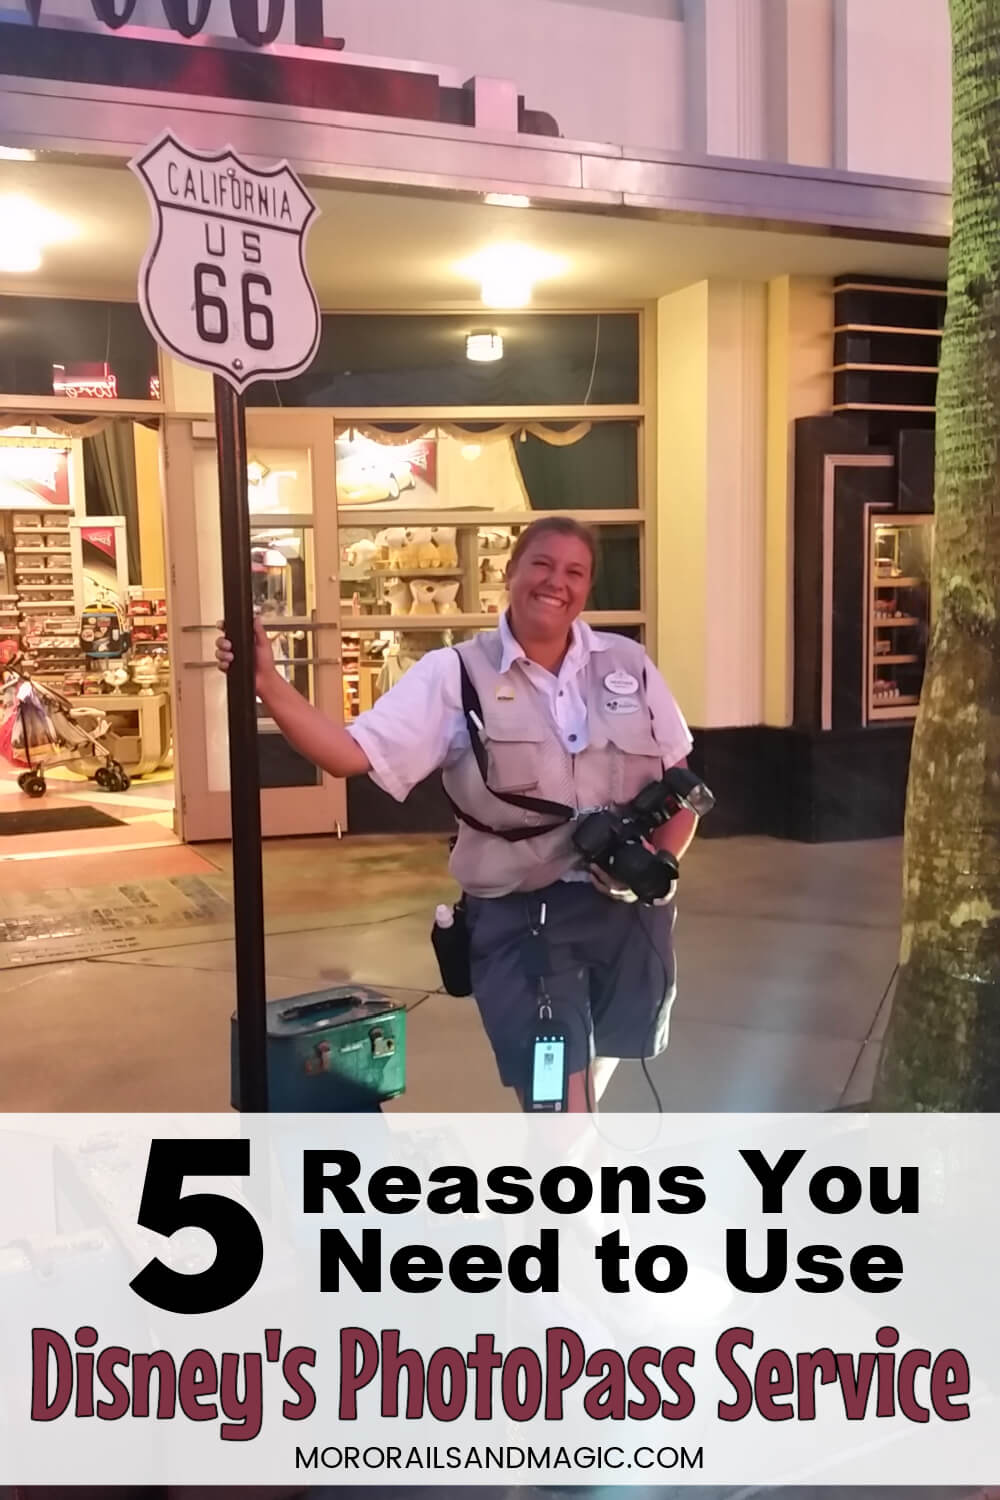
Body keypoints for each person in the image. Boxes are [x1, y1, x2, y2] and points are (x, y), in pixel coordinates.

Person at [216, 516, 697, 1112]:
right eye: (542, 564)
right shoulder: (456, 674)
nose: (556, 582)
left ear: (588, 588)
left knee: (591, 1079)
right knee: (558, 1108)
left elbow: (683, 787)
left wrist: (658, 863)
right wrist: (268, 682)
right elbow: (347, 754)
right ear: (511, 573)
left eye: (575, 572)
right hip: (527, 926)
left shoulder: (628, 664)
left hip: (628, 920)